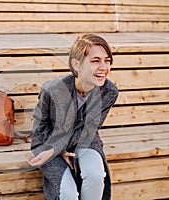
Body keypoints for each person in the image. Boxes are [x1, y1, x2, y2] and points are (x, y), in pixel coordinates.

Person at [27, 34, 119, 200]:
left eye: (107, 60)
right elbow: (40, 131)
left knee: (96, 176)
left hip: (85, 139)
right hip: (48, 142)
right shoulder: (53, 90)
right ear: (76, 64)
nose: (104, 67)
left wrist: (60, 148)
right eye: (95, 61)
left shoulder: (108, 92)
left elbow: (88, 130)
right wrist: (55, 150)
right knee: (68, 194)